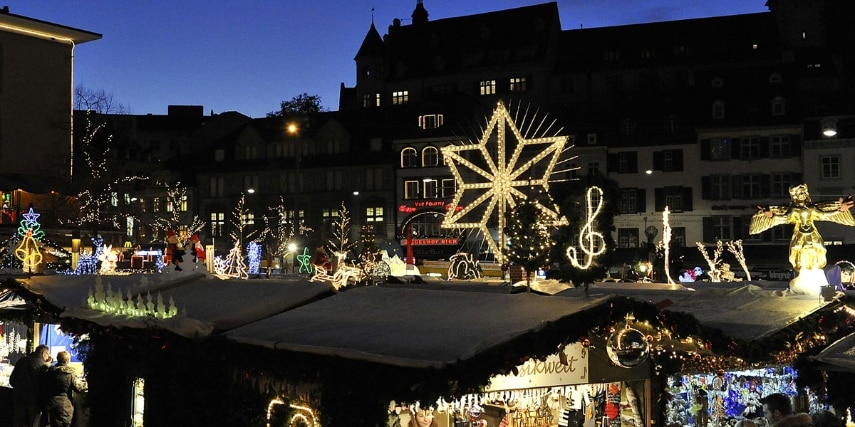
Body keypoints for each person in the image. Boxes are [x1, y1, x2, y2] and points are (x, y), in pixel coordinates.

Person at [750, 184, 855, 272]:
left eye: (804, 192)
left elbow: (824, 214)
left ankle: (815, 268)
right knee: (800, 250)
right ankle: (803, 269)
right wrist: (772, 216)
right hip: (800, 233)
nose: (802, 195)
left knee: (819, 247)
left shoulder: (811, 208)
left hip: (812, 232)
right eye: (800, 193)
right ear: (795, 195)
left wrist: (840, 210)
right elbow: (785, 218)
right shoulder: (794, 209)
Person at [9, 345, 51, 427]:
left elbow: (12, 380)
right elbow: (45, 385)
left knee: (18, 423)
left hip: (19, 398)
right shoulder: (43, 366)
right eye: (48, 354)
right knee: (33, 423)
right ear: (43, 353)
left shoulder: (22, 361)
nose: (48, 357)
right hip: (35, 400)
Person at [42, 351, 86, 427]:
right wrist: (84, 384)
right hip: (64, 405)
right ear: (68, 360)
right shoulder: (70, 373)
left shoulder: (50, 371)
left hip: (49, 403)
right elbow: (78, 388)